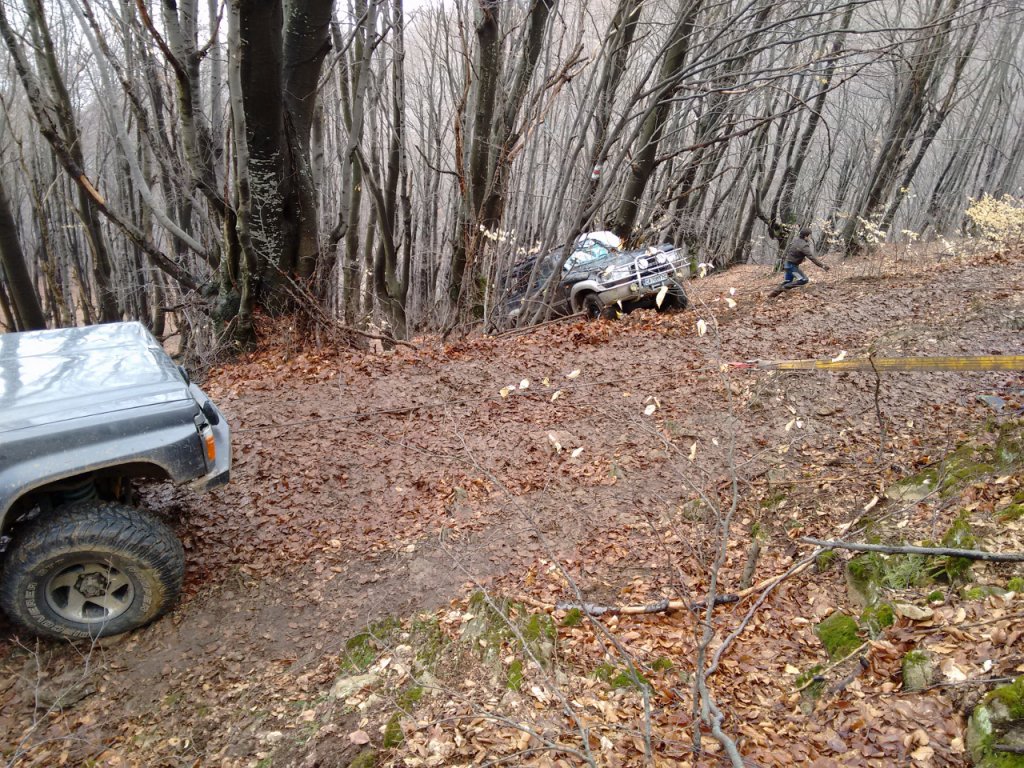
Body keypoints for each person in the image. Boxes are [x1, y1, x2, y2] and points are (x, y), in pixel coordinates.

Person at [775, 228, 828, 294]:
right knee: (804, 280)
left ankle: (772, 296)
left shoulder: (795, 240)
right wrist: (822, 265)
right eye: (810, 236)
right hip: (792, 267)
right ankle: (783, 288)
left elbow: (793, 251)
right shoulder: (803, 245)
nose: (810, 237)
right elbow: (812, 258)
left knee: (788, 282)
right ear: (806, 236)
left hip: (787, 265)